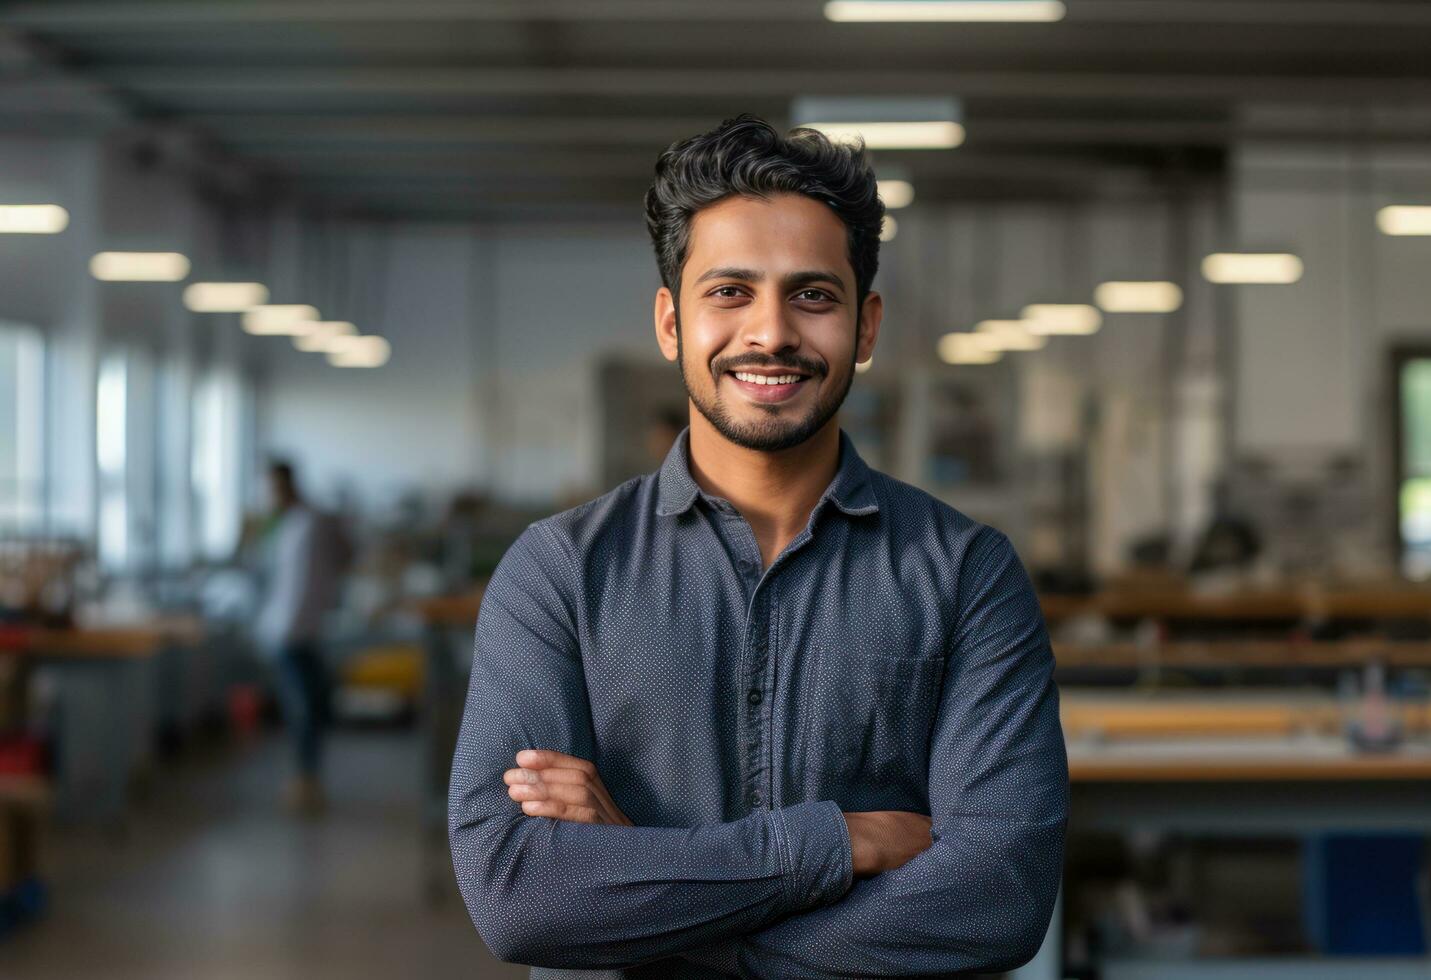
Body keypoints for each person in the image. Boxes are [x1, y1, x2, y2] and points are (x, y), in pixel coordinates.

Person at [449, 115, 1068, 978]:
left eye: (812, 295)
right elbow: (522, 895)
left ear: (865, 327)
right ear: (671, 323)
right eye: (729, 292)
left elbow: (1000, 894)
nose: (771, 333)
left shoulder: (966, 573)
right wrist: (836, 845)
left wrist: (649, 880)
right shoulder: (559, 572)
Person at [255, 458, 350, 813]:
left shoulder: (312, 522)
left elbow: (342, 556)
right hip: (285, 632)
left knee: (309, 708)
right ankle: (304, 778)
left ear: (287, 485)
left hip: (300, 631)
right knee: (305, 709)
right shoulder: (284, 526)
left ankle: (307, 778)